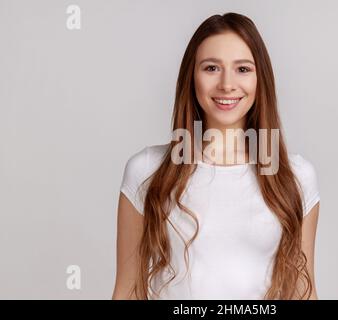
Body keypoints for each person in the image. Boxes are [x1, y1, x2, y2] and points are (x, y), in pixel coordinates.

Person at [112, 12, 320, 300]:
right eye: (211, 68)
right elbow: (126, 291)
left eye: (242, 69)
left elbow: (303, 294)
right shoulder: (146, 169)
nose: (226, 84)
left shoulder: (296, 176)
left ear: (261, 79)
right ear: (191, 76)